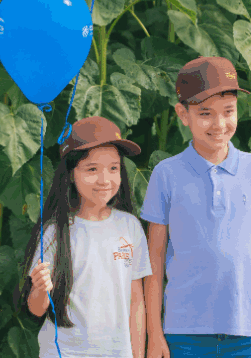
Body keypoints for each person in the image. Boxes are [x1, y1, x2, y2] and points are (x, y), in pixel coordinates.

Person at [141, 57, 251, 358]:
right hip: (184, 334)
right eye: (205, 114)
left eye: (228, 112)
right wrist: (154, 333)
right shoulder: (166, 174)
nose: (220, 124)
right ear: (183, 114)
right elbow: (154, 258)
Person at [15, 116, 152, 358]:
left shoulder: (129, 226)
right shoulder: (55, 232)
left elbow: (136, 303)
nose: (104, 180)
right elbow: (36, 310)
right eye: (92, 169)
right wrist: (40, 288)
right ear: (70, 174)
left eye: (113, 168)